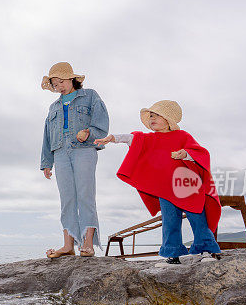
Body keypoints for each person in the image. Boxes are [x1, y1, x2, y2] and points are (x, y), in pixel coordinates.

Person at [94, 100, 221, 266]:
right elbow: (132, 138)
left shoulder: (183, 136)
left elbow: (200, 153)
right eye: (151, 116)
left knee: (197, 217)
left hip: (187, 185)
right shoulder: (149, 138)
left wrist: (185, 154)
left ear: (168, 120)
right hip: (165, 189)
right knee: (169, 221)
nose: (152, 119)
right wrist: (113, 138)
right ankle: (173, 254)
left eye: (156, 116)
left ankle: (206, 249)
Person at [40, 62, 109, 258]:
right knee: (67, 199)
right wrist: (46, 162)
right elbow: (46, 134)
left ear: (71, 79)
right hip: (60, 153)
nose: (58, 86)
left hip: (84, 150)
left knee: (85, 196)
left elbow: (102, 123)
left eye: (61, 81)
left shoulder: (90, 96)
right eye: (54, 84)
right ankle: (68, 244)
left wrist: (88, 132)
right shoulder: (53, 106)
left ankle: (88, 244)